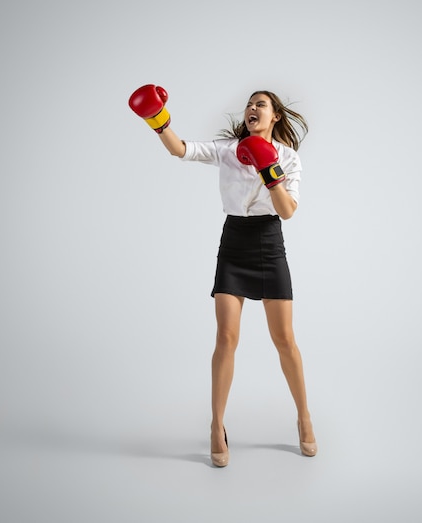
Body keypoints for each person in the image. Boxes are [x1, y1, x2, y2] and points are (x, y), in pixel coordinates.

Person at [128, 84, 317, 467]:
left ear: (274, 116)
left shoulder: (290, 158)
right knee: (226, 337)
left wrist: (269, 169)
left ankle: (304, 417)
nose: (252, 108)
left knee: (285, 340)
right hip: (233, 244)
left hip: (268, 244)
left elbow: (287, 211)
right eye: (249, 104)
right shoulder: (229, 150)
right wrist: (157, 119)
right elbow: (182, 150)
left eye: (260, 104)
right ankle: (216, 426)